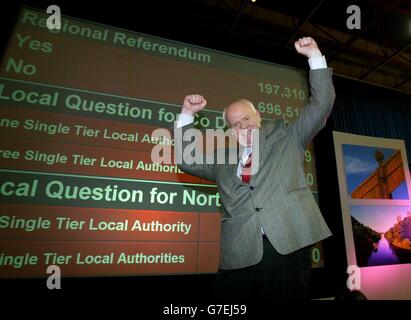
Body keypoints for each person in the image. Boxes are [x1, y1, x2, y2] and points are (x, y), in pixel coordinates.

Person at [174, 37, 335, 301]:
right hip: (239, 253)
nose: (243, 126)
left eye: (246, 118)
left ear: (258, 116)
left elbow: (321, 105)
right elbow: (187, 159)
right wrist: (187, 114)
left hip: (286, 245)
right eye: (235, 124)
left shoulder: (288, 136)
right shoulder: (222, 159)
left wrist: (314, 57)